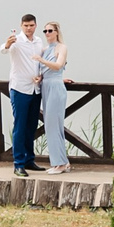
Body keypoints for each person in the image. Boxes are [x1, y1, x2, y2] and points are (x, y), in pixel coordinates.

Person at [0, 13, 45, 176]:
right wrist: (7, 44)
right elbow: (3, 50)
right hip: (20, 88)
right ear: (21, 26)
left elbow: (41, 61)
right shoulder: (16, 41)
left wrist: (41, 75)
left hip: (36, 88)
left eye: (31, 25)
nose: (29, 28)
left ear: (35, 25)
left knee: (31, 126)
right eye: (26, 26)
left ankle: (29, 159)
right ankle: (18, 163)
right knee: (19, 125)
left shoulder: (39, 41)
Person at [39, 22, 71, 175]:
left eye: (50, 30)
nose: (47, 33)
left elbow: (58, 66)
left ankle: (60, 163)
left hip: (56, 87)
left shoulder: (61, 47)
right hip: (46, 86)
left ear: (57, 32)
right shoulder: (45, 50)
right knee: (51, 125)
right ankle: (62, 160)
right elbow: (45, 71)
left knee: (53, 123)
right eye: (45, 31)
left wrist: (41, 60)